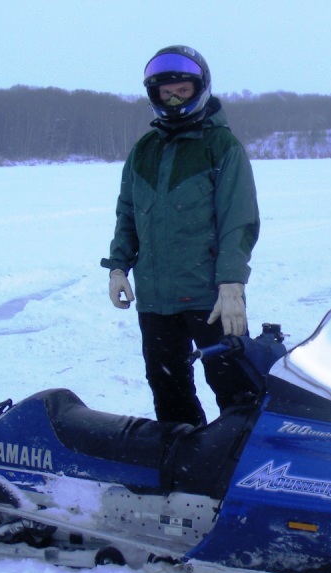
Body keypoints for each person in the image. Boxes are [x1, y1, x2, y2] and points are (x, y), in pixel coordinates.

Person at [101, 45, 261, 427]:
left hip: (211, 298)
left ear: (199, 89)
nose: (173, 99)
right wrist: (118, 266)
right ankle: (184, 453)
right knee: (168, 390)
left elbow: (238, 221)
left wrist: (232, 284)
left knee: (236, 389)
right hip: (156, 301)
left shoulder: (221, 147)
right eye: (166, 93)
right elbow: (128, 213)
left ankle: (244, 455)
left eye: (182, 91)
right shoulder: (144, 150)